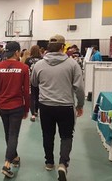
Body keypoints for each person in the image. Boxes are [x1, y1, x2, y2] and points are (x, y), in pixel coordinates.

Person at [31, 35, 84, 181]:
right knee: (66, 136)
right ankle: (63, 164)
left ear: (48, 47)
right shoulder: (72, 64)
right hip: (65, 106)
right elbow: (79, 88)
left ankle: (49, 162)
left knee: (47, 135)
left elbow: (34, 83)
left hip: (46, 106)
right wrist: (80, 105)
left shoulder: (39, 65)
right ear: (62, 47)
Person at [0, 41, 30, 178]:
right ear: (16, 52)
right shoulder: (24, 68)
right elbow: (26, 91)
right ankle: (7, 164)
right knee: (13, 134)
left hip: (3, 106)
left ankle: (14, 157)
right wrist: (26, 109)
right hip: (16, 106)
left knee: (8, 133)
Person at [25, 45, 42, 122]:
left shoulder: (28, 60)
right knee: (38, 95)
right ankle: (36, 110)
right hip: (40, 80)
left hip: (30, 80)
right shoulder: (42, 59)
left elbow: (26, 70)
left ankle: (32, 114)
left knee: (32, 96)